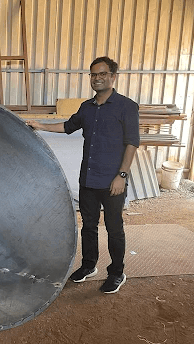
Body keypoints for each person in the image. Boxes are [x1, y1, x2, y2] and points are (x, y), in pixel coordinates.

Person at [27, 56, 140, 294]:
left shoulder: (126, 107)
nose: (97, 78)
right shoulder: (87, 108)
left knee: (114, 227)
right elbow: (68, 127)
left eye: (102, 74)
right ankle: (89, 266)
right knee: (89, 226)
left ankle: (117, 272)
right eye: (93, 74)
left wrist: (121, 175)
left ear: (112, 77)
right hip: (88, 179)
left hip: (112, 181)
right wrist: (40, 125)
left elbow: (131, 143)